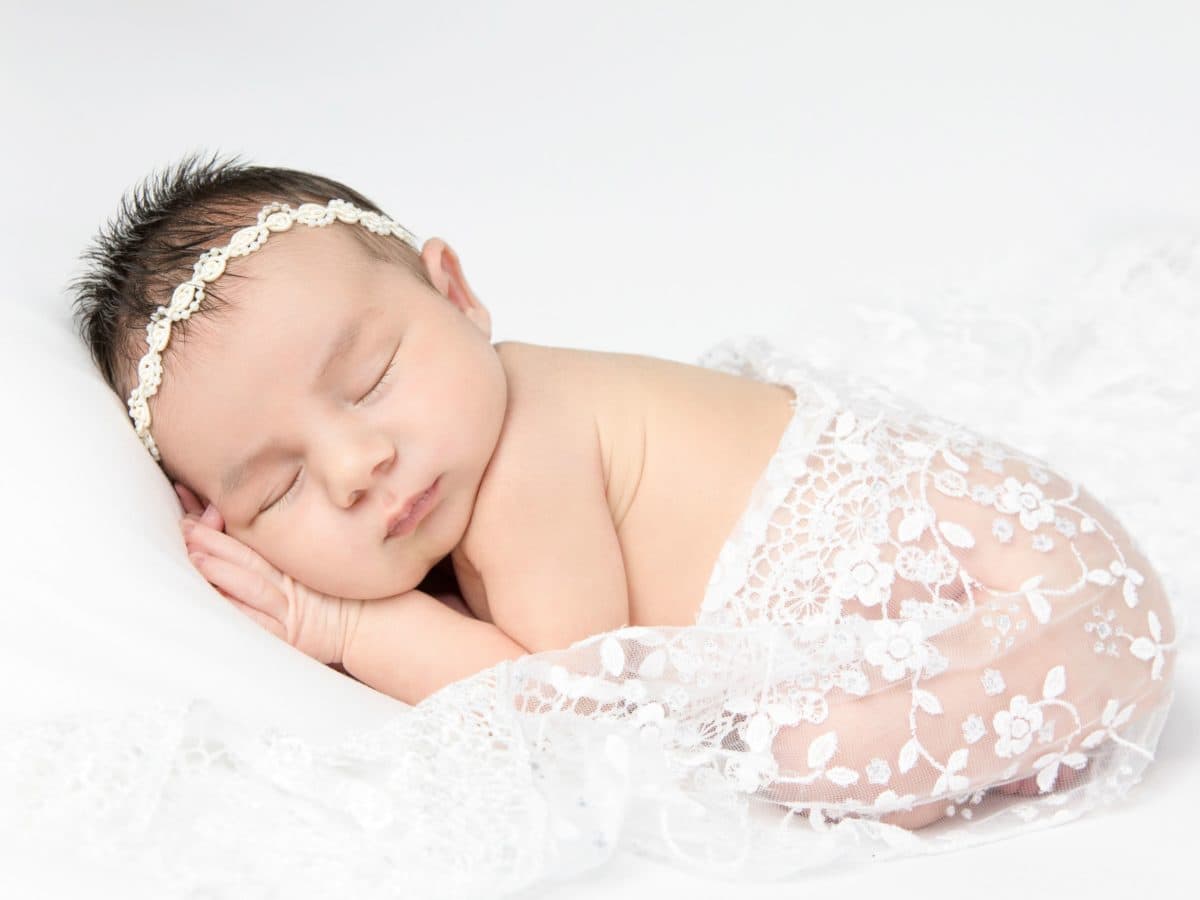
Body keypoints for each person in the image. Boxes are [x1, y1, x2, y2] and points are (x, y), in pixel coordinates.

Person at [70, 151, 1180, 834]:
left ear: (456, 292)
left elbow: (563, 702)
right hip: (1026, 559)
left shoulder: (524, 458)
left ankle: (1018, 725)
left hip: (1043, 595)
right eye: (279, 489)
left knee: (803, 757)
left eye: (369, 379)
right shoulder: (467, 444)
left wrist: (345, 618)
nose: (358, 465)